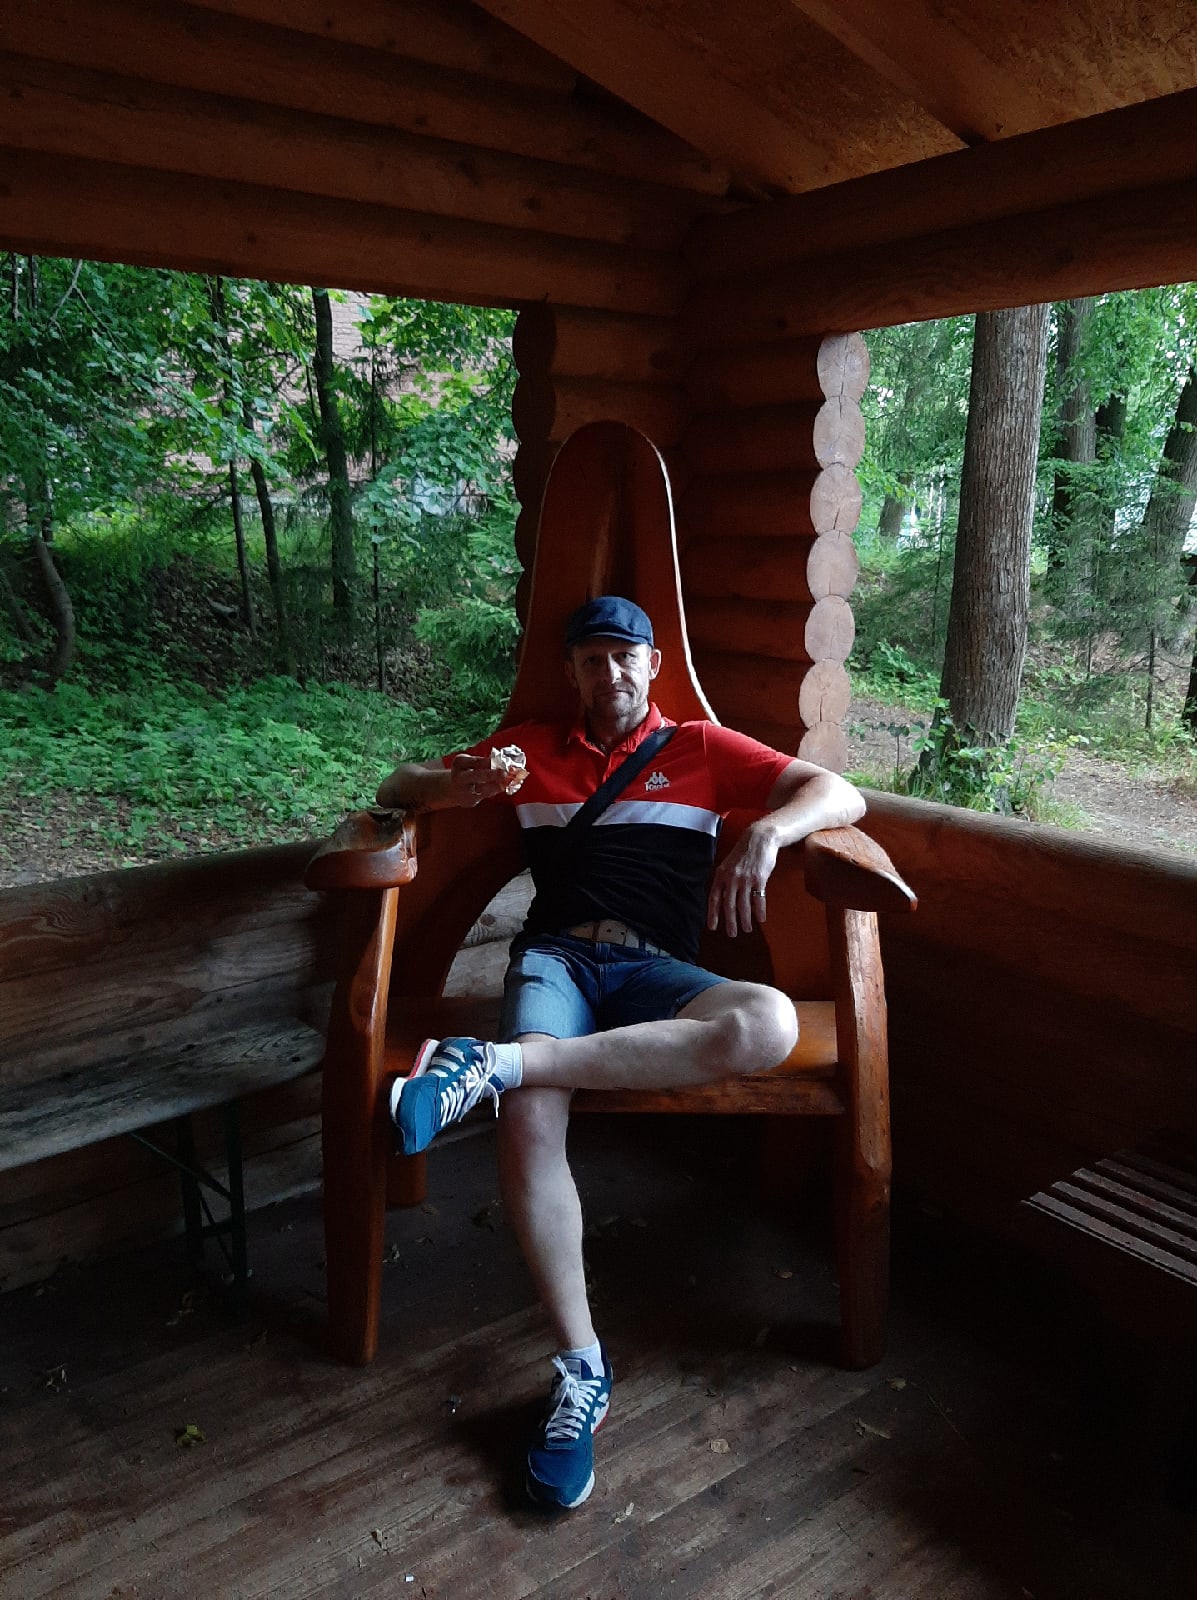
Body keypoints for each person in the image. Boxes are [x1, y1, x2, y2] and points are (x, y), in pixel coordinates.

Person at [376, 595, 865, 1511]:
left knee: (766, 1024)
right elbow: (397, 784)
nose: (611, 672)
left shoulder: (702, 748)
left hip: (655, 970)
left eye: (625, 656)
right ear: (571, 672)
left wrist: (765, 832)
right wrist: (458, 785)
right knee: (530, 1121)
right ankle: (581, 1368)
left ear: (651, 666)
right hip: (555, 960)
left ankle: (490, 1064)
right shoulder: (529, 749)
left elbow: (842, 793)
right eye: (593, 659)